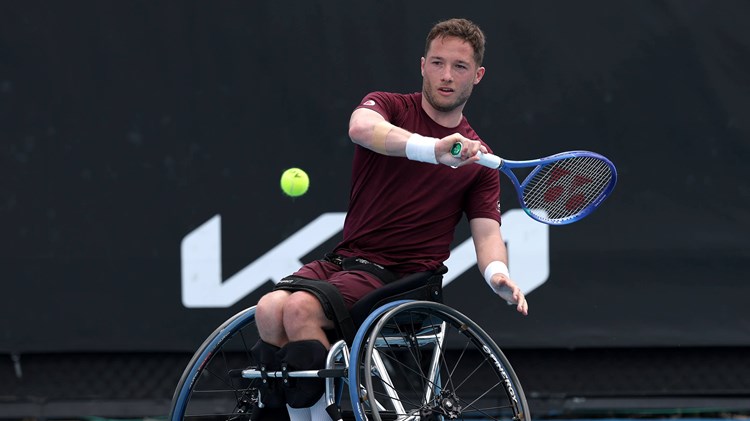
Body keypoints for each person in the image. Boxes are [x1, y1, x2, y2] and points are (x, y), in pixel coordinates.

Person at [251, 17, 529, 421]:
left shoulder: (479, 162)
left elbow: (487, 234)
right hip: (349, 260)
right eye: (437, 63)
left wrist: (498, 275)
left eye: (459, 66)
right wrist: (433, 148)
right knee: (269, 308)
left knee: (298, 311)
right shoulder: (389, 106)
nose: (446, 76)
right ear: (422, 65)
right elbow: (361, 128)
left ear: (478, 75)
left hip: (405, 277)